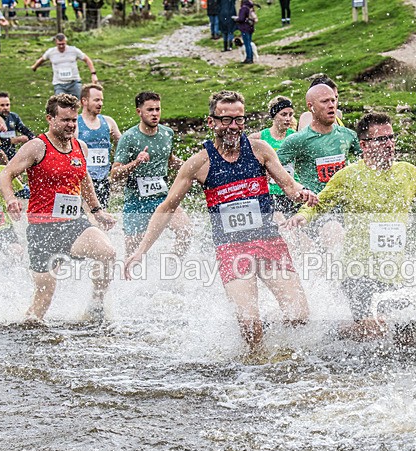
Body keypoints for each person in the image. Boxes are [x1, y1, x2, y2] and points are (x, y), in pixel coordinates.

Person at [123, 90, 318, 353]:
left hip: (268, 242)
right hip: (231, 249)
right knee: (250, 328)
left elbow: (289, 185)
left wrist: (303, 192)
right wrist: (141, 251)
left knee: (299, 315)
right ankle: (255, 365)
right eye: (225, 120)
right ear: (211, 122)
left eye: (239, 120)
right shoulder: (198, 163)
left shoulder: (260, 150)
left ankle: (271, 330)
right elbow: (167, 208)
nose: (233, 127)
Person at [286, 113, 416, 340]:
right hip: (357, 271)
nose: (389, 144)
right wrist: (302, 216)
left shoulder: (406, 172)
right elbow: (320, 204)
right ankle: (330, 336)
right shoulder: (349, 176)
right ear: (364, 145)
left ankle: (342, 334)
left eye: (391, 137)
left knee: (408, 334)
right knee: (374, 328)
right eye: (381, 139)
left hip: (393, 272)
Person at [0, 94, 117, 323]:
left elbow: (84, 179)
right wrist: (11, 199)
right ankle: (26, 333)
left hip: (73, 223)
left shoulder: (80, 146)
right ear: (50, 119)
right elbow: (5, 175)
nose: (71, 125)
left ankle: (96, 305)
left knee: (107, 252)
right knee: (43, 299)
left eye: (73, 120)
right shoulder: (37, 146)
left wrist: (97, 211)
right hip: (42, 230)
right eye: (65, 120)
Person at [277, 84, 361, 251]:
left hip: (343, 206)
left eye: (333, 100)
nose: (331, 105)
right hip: (313, 208)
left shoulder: (348, 135)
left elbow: (368, 163)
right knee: (330, 239)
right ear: (311, 107)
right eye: (324, 101)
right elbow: (272, 167)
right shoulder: (298, 140)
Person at [111, 91, 192, 256]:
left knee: (185, 231)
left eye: (157, 109)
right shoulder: (129, 137)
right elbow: (115, 173)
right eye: (150, 110)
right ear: (139, 112)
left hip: (162, 199)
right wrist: (136, 162)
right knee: (133, 252)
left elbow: (169, 160)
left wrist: (192, 168)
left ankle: (171, 264)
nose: (155, 114)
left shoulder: (167, 133)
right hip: (136, 202)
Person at [248, 95, 297, 220]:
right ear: (274, 116)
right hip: (271, 192)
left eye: (290, 114)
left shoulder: (296, 137)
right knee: (280, 223)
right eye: (284, 114)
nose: (288, 118)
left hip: (292, 190)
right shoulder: (259, 137)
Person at [77, 84, 121, 209]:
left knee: (102, 215)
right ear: (84, 101)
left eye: (101, 100)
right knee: (85, 215)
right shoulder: (75, 123)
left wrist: (118, 162)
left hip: (103, 180)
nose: (100, 103)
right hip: (82, 179)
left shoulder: (108, 122)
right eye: (96, 100)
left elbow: (123, 144)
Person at [30, 34, 99, 99]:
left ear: (66, 42)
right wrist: (35, 66)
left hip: (74, 82)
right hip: (59, 84)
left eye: (63, 44)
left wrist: (93, 74)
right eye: (59, 44)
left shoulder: (73, 50)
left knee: (78, 103)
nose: (61, 46)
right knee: (60, 103)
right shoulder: (51, 52)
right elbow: (42, 59)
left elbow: (87, 59)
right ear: (56, 43)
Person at [0, 91, 35, 160]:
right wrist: (14, 140)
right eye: (2, 105)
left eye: (7, 105)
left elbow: (23, 129)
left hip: (12, 155)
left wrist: (33, 137)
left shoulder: (14, 117)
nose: (5, 107)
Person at [233, 0, 255, 64]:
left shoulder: (243, 8)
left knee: (247, 44)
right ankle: (251, 58)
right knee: (249, 43)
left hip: (245, 28)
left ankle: (249, 58)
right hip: (250, 27)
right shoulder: (250, 7)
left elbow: (241, 19)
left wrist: (236, 19)